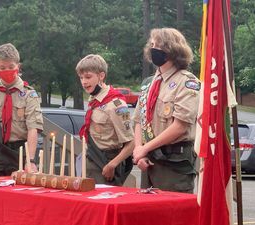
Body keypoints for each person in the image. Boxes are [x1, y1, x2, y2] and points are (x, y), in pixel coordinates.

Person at [132, 28, 200, 193]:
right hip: (149, 161)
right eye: (153, 45)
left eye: (160, 46)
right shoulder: (149, 83)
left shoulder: (187, 82)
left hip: (174, 163)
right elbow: (139, 120)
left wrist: (145, 148)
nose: (154, 49)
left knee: (173, 216)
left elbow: (180, 126)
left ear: (173, 50)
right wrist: (138, 150)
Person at [0, 43, 43, 177]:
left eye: (11, 67)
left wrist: (30, 160)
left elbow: (33, 129)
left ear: (18, 66)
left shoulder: (29, 95)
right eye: (2, 67)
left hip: (20, 152)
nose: (7, 70)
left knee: (19, 193)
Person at [76, 54, 134, 186]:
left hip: (107, 164)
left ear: (101, 76)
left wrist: (112, 165)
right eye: (81, 78)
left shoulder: (115, 104)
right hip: (91, 160)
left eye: (88, 77)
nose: (84, 82)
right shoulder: (94, 100)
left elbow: (131, 143)